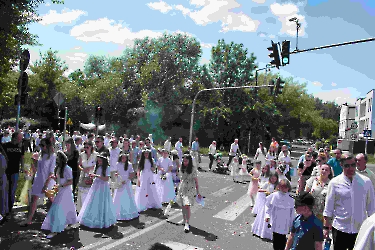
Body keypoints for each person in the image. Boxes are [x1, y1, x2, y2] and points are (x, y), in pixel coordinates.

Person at [323, 152, 375, 250]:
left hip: (360, 229)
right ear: (341, 165)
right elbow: (328, 207)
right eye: (347, 166)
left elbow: (371, 207)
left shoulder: (366, 182)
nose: (350, 168)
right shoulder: (334, 183)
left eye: (353, 165)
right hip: (339, 228)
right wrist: (325, 228)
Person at [41, 151, 77, 238]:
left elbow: (71, 181)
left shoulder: (67, 168)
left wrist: (61, 185)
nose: (56, 160)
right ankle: (67, 222)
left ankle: (55, 229)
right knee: (65, 207)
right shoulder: (58, 168)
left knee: (58, 208)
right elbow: (59, 178)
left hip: (66, 190)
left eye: (57, 158)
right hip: (61, 189)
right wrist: (53, 178)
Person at [21, 138, 56, 226]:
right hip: (38, 180)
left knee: (53, 201)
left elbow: (51, 172)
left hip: (47, 182)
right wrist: (32, 165)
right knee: (34, 199)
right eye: (40, 145)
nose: (41, 147)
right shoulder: (41, 154)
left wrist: (46, 185)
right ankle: (29, 220)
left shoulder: (52, 156)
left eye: (43, 145)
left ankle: (60, 218)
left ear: (48, 146)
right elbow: (38, 170)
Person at [77, 152, 117, 229]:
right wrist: (92, 177)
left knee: (102, 203)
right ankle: (90, 219)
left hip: (103, 187)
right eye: (98, 160)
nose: (99, 162)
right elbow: (96, 176)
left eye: (100, 161)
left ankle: (102, 221)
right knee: (93, 202)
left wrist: (96, 176)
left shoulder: (107, 168)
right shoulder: (97, 167)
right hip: (96, 185)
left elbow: (106, 178)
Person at [264, 179, 295, 249]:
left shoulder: (290, 199)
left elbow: (292, 212)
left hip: (285, 222)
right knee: (276, 238)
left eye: (285, 187)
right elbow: (267, 205)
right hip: (276, 220)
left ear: (288, 188)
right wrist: (267, 215)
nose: (284, 189)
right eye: (282, 187)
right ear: (279, 187)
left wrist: (292, 223)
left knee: (283, 238)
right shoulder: (274, 196)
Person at [175, 153, 201, 233]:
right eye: (183, 161)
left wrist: (198, 192)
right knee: (183, 206)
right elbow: (180, 179)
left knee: (187, 205)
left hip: (190, 188)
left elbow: (196, 181)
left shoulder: (193, 169)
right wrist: (176, 187)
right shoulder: (181, 168)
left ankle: (187, 223)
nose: (185, 162)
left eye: (186, 161)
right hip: (182, 188)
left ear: (189, 161)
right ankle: (183, 219)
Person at [2, 131, 24, 217]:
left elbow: (22, 158)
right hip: (5, 171)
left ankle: (9, 209)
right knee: (5, 190)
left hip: (15, 171)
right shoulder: (5, 146)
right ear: (15, 137)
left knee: (12, 191)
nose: (22, 139)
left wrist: (22, 167)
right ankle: (4, 209)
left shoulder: (21, 146)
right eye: (20, 137)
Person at [112, 153, 139, 221]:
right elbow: (117, 172)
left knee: (127, 197)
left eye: (125, 158)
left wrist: (127, 180)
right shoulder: (117, 164)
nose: (123, 159)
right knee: (118, 197)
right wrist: (116, 174)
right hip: (120, 182)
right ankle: (117, 212)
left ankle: (128, 212)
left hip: (126, 182)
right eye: (122, 158)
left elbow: (132, 173)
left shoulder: (129, 164)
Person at [76, 141, 97, 213]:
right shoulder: (82, 155)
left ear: (91, 147)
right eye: (84, 147)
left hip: (92, 175)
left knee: (90, 192)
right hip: (83, 175)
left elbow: (98, 165)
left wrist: (91, 168)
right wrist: (83, 169)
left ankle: (90, 210)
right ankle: (81, 210)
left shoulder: (95, 155)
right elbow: (79, 165)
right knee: (82, 192)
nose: (86, 149)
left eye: (87, 147)